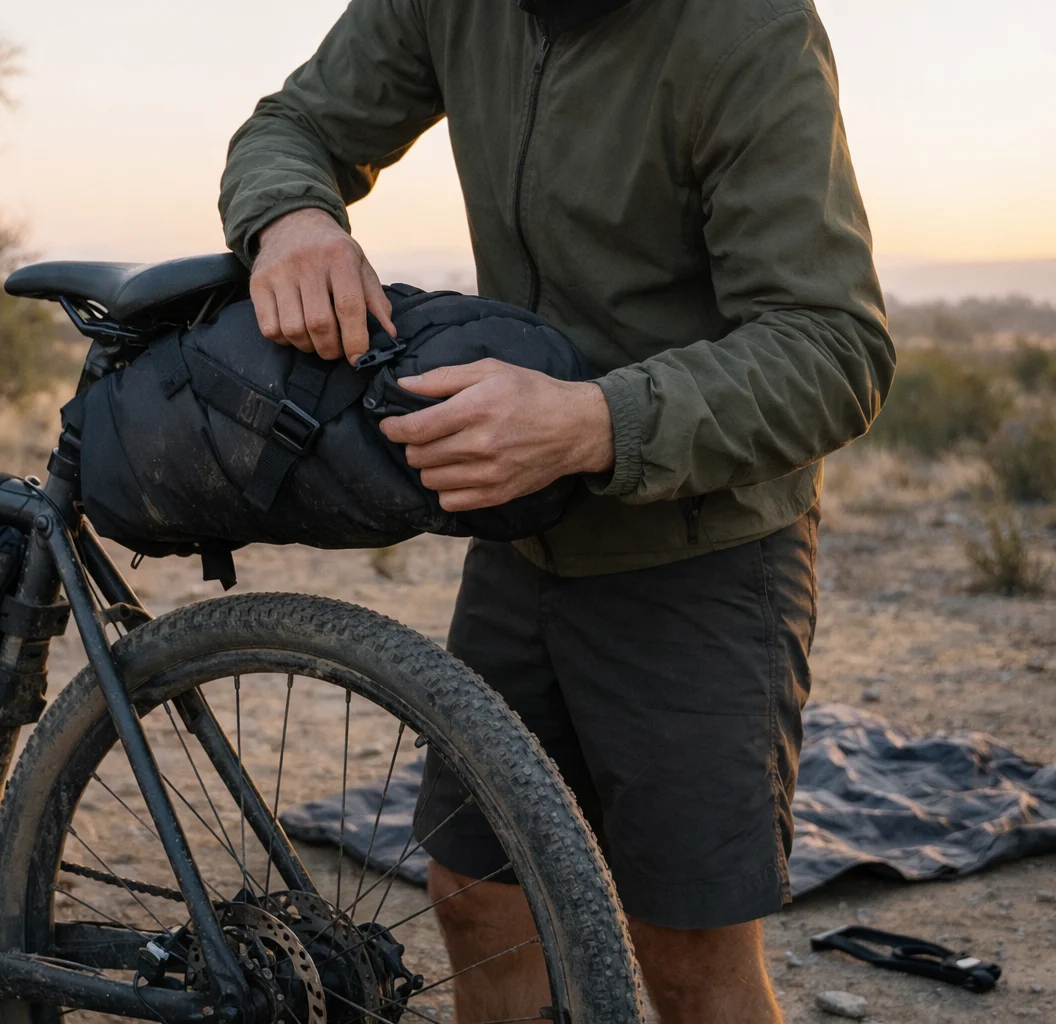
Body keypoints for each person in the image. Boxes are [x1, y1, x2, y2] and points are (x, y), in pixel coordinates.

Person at [219, 0, 894, 1021]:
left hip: (703, 550)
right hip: (523, 537)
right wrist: (292, 215)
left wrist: (594, 423)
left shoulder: (750, 30)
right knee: (476, 893)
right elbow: (293, 126)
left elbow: (834, 348)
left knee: (685, 950)